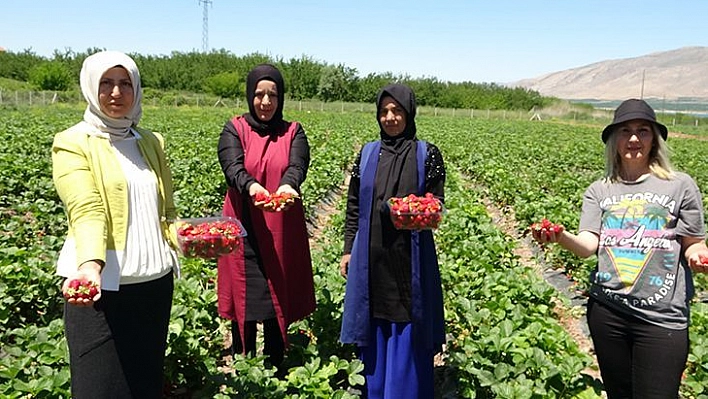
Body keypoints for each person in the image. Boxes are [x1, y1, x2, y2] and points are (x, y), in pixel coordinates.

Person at [531, 98, 708, 398]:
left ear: (655, 139)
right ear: (614, 139)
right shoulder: (600, 189)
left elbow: (693, 243)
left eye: (643, 130)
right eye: (625, 131)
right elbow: (589, 245)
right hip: (608, 312)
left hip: (662, 318)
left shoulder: (680, 185)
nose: (634, 138)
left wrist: (699, 258)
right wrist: (560, 236)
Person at [52, 50, 179, 398]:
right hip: (100, 289)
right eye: (106, 83)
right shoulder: (73, 142)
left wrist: (191, 239)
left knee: (144, 385)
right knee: (97, 388)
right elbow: (85, 206)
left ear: (136, 89)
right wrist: (91, 265)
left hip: (154, 285)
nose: (116, 92)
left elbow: (164, 210)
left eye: (125, 83)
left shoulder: (150, 142)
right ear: (91, 87)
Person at [339, 83, 446, 398]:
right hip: (372, 257)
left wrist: (413, 211)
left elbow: (436, 203)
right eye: (384, 111)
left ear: (408, 113)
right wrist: (348, 250)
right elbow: (354, 206)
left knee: (409, 317)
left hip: (411, 257)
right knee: (374, 315)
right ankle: (375, 390)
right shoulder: (369, 153)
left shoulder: (427, 154)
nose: (390, 117)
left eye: (397, 110)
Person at [217, 63, 316, 369]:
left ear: (281, 97)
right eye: (259, 94)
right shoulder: (234, 128)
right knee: (242, 294)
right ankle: (245, 364)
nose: (265, 102)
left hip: (279, 224)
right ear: (250, 95)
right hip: (242, 224)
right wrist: (254, 188)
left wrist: (287, 186)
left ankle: (275, 363)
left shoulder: (293, 131)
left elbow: (297, 166)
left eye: (272, 95)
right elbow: (232, 167)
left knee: (277, 290)